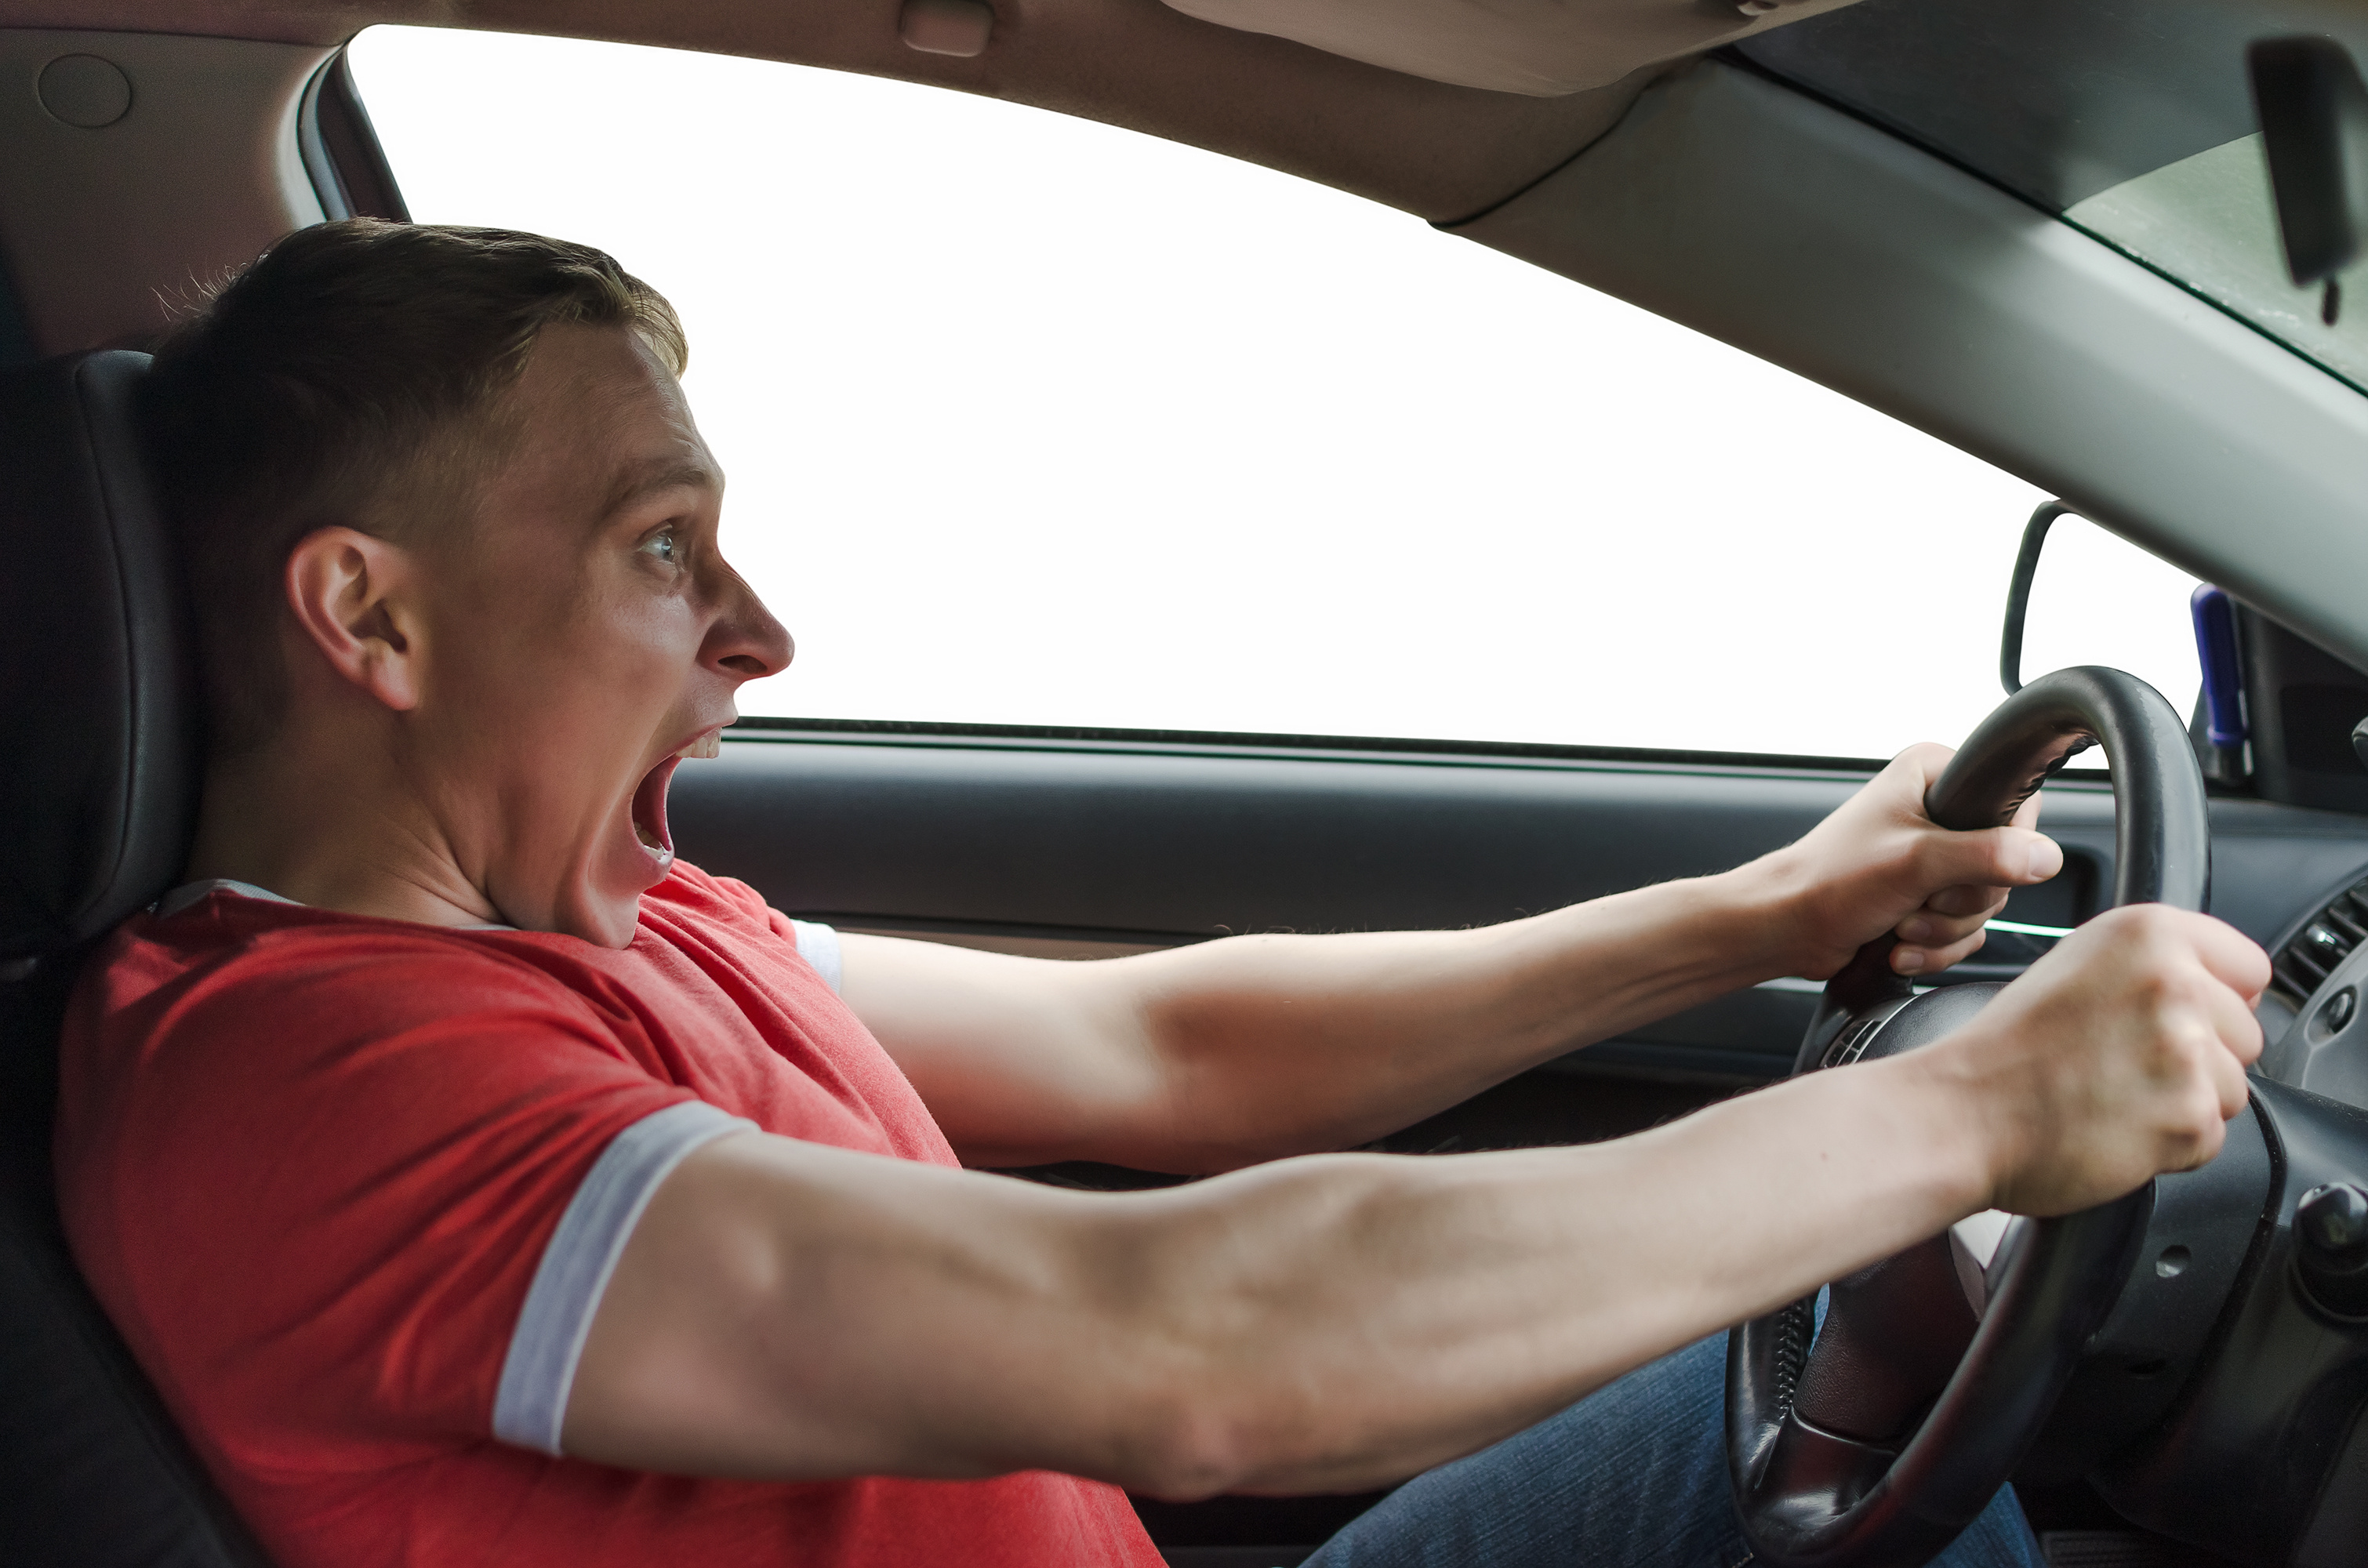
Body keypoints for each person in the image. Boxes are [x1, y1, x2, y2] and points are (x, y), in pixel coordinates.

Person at [56, 220, 2268, 1568]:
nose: (759, 632)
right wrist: (1965, 1115)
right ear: (375, 619)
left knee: (1812, 1405)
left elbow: (1165, 1046)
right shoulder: (314, 1087)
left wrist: (1760, 913)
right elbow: (1193, 1355)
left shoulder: (615, 930)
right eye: (659, 548)